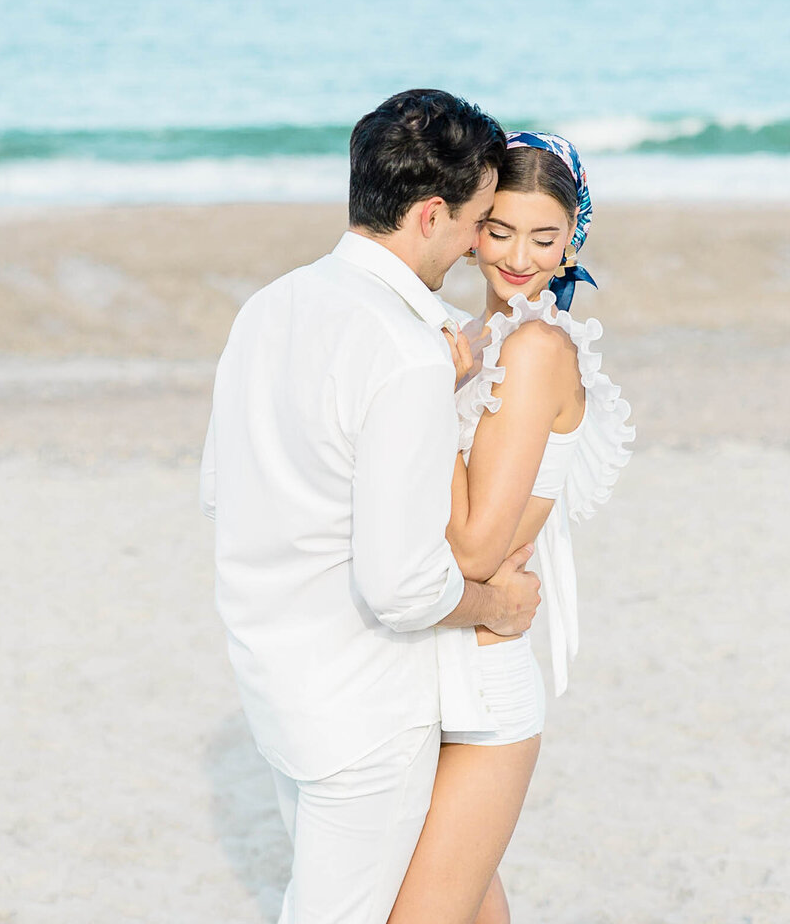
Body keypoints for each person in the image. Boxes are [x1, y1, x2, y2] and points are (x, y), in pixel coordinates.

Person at [199, 91, 542, 924]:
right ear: (430, 214)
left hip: (274, 675)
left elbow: (221, 487)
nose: (476, 245)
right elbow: (403, 589)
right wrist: (498, 601)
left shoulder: (270, 306)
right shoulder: (402, 353)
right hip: (363, 710)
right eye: (474, 221)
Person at [388, 132, 635, 924]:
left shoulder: (533, 348)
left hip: (481, 683)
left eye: (545, 236)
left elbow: (474, 548)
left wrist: (431, 395)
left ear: (574, 240)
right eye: (499, 231)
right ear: (470, 228)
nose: (519, 257)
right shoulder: (474, 338)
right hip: (429, 660)